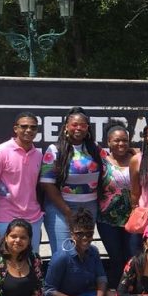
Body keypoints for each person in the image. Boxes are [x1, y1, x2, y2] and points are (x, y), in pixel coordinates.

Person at [40, 107, 104, 254]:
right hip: (61, 207)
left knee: (82, 250)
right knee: (64, 252)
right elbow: (47, 184)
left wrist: (132, 153)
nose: (78, 128)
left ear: (87, 128)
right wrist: (67, 211)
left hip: (89, 207)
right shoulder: (55, 149)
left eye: (83, 125)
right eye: (74, 125)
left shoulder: (95, 148)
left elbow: (111, 164)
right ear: (66, 127)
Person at [0, 112, 43, 253]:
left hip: (33, 218)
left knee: (31, 260)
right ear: (16, 128)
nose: (28, 130)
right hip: (5, 218)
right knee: (4, 261)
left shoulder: (38, 155)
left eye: (33, 127)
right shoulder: (0, 152)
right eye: (24, 126)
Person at [43, 211, 109, 296]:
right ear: (72, 234)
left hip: (85, 295)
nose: (85, 238)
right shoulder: (61, 257)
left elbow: (101, 278)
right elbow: (49, 291)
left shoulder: (93, 251)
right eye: (80, 234)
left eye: (89, 234)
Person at [97, 123, 137, 289]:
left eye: (125, 140)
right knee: (116, 258)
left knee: (133, 257)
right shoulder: (101, 162)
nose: (121, 144)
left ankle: (131, 290)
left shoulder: (137, 159)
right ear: (108, 142)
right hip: (107, 219)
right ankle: (116, 292)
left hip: (134, 218)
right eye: (117, 140)